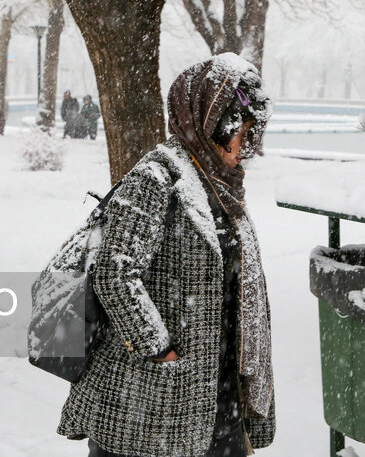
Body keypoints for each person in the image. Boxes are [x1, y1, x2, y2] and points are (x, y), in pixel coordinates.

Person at [57, 53, 276, 457]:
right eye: (238, 132)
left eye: (251, 133)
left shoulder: (222, 185)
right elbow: (114, 272)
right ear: (206, 122)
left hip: (219, 391)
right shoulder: (157, 178)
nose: (245, 146)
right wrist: (158, 349)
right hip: (151, 399)